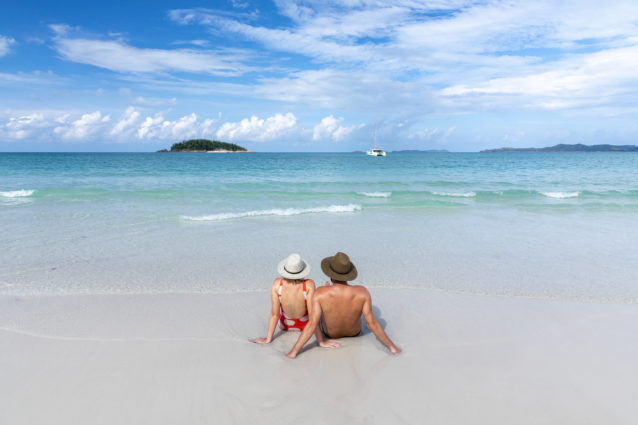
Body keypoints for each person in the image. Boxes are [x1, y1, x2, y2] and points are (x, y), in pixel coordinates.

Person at [286, 251, 401, 358]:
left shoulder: (320, 293)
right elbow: (372, 324)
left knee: (317, 311)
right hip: (355, 333)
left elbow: (312, 324)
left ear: (330, 274)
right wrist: (392, 347)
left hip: (331, 335)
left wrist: (293, 351)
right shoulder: (362, 292)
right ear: (348, 274)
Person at [250, 253, 340, 349]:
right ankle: (325, 288)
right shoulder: (308, 284)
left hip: (285, 325)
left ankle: (324, 288)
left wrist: (268, 339)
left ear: (285, 270)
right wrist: (321, 342)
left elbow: (274, 314)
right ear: (302, 271)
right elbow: (312, 316)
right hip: (306, 326)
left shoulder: (277, 284)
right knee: (320, 300)